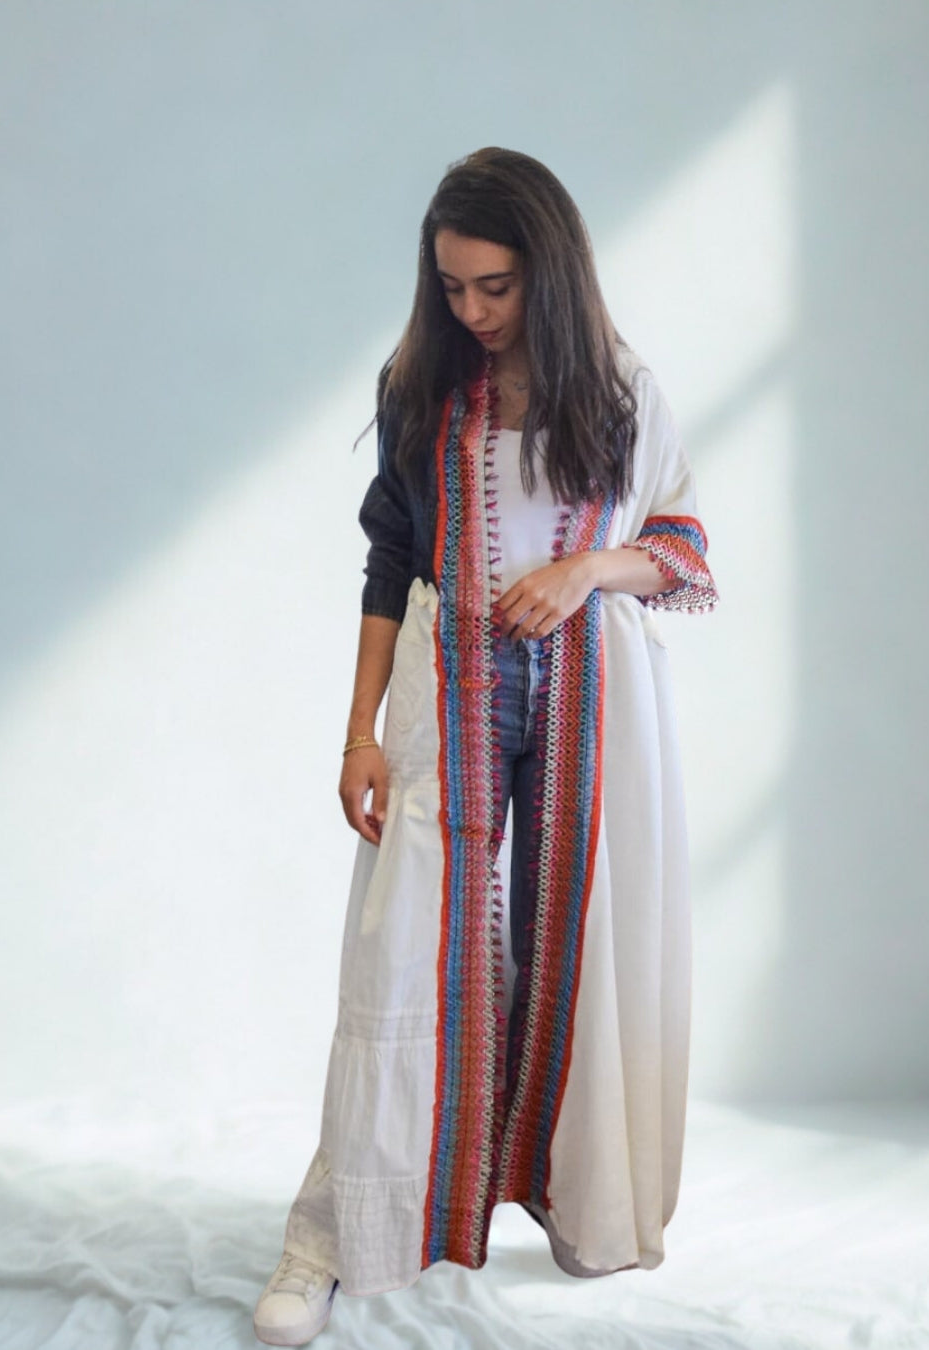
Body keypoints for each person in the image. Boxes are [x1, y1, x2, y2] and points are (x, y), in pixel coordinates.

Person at [253, 146, 718, 1347]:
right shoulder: (420, 388)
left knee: (572, 943)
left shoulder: (620, 392)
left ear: (549, 274)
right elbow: (388, 563)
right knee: (405, 953)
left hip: (591, 706)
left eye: (496, 286)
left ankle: (573, 1195)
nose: (472, 310)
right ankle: (339, 1232)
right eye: (453, 285)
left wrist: (585, 569)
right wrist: (356, 733)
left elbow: (681, 545)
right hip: (442, 696)